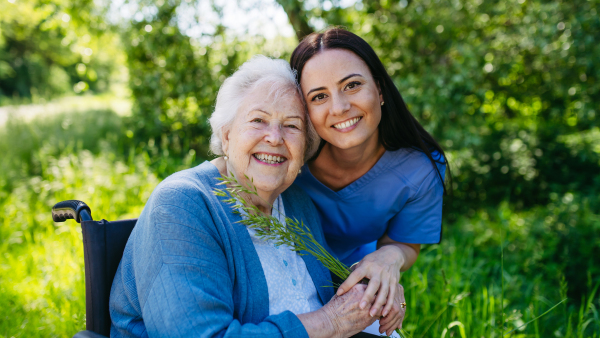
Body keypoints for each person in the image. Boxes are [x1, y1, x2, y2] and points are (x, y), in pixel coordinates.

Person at [109, 55, 403, 338]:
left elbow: (326, 294)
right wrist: (330, 323)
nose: (275, 138)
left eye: (291, 126)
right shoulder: (182, 205)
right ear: (226, 135)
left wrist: (374, 288)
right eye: (258, 120)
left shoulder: (297, 203)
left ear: (304, 148)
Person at [291, 28, 449, 336]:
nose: (339, 107)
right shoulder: (287, 159)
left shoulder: (420, 169)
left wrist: (386, 262)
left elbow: (405, 243)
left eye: (351, 85)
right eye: (319, 96)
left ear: (379, 90)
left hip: (350, 280)